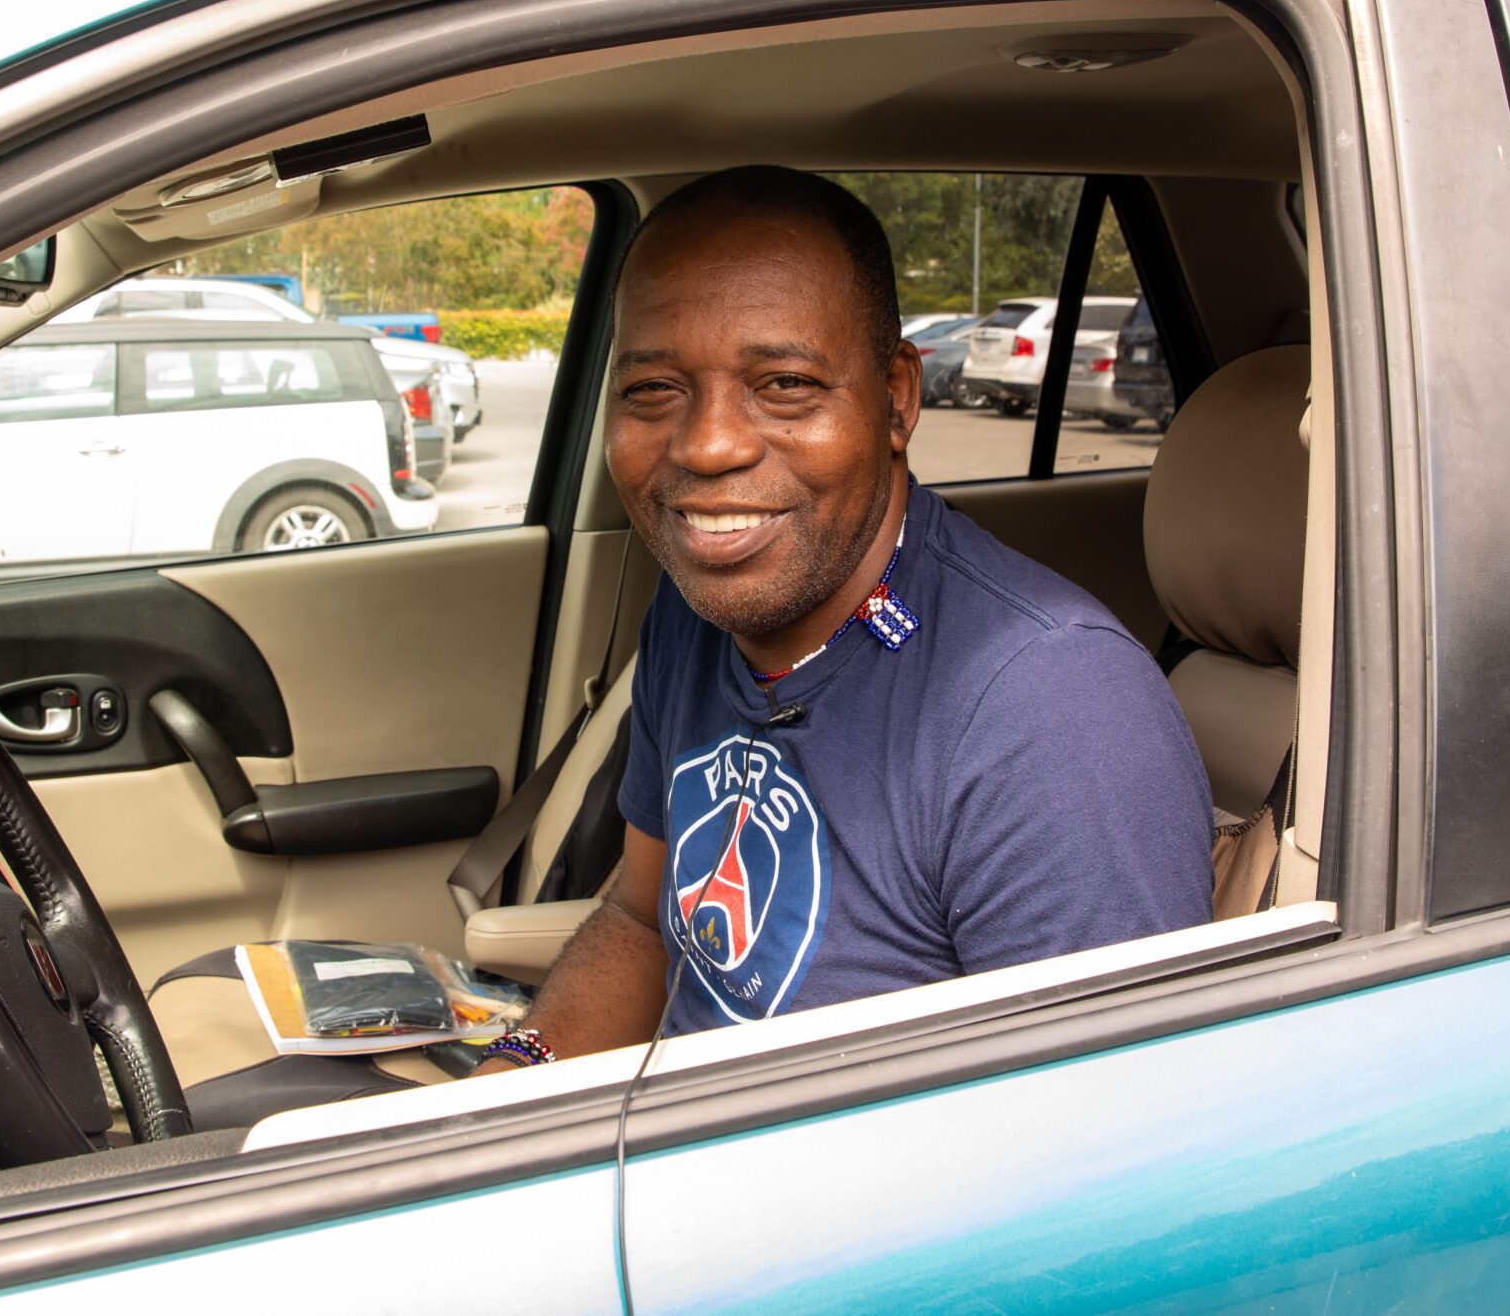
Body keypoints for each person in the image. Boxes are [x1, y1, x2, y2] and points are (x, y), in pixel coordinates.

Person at [473, 167, 1212, 1073]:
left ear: (898, 398)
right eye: (655, 389)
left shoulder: (1054, 710)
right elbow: (639, 919)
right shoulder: (695, 611)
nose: (708, 446)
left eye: (784, 382)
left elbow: (1102, 1161)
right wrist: (507, 1080)